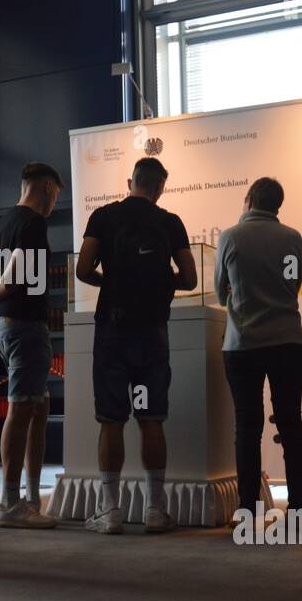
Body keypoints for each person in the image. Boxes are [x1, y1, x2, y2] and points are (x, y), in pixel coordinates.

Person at [74, 157, 196, 534]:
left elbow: (82, 269)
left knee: (111, 419)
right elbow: (190, 278)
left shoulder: (104, 217)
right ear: (161, 187)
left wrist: (112, 284)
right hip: (152, 335)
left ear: (131, 182)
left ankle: (110, 511)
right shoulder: (170, 223)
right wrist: (157, 284)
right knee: (150, 417)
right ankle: (155, 509)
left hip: (112, 332)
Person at [0, 162, 64, 529]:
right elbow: (8, 282)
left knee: (36, 408)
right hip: (23, 326)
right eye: (56, 194)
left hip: (1, 328)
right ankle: (11, 503)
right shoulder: (31, 223)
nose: (55, 203)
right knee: (23, 407)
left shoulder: (0, 225)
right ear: (45, 186)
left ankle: (28, 498)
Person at [214, 177, 302, 517]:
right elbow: (293, 285)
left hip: (243, 344)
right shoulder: (292, 237)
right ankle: (299, 507)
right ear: (277, 205)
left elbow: (218, 289)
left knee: (247, 427)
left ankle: (247, 510)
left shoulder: (230, 236)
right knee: (291, 424)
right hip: (288, 341)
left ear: (250, 199)